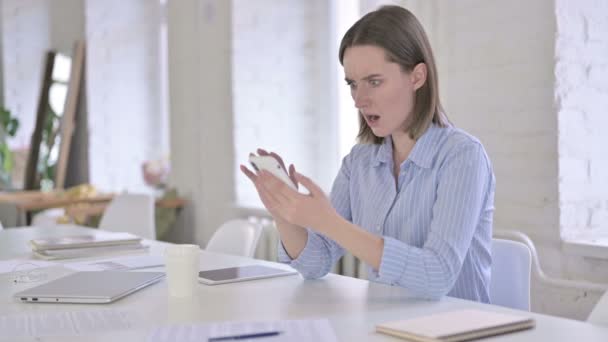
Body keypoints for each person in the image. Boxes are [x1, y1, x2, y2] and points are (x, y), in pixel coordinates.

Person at [240, 5, 495, 302]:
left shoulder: (462, 157)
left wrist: (330, 222)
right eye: (352, 84)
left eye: (374, 82)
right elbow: (315, 262)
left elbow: (437, 276)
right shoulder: (359, 163)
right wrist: (284, 211)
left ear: (417, 76)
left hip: (459, 328)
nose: (359, 100)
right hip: (385, 326)